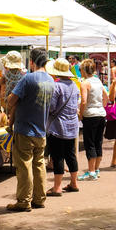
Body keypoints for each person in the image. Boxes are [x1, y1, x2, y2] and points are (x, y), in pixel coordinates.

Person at [5, 48, 54, 212]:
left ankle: (24, 201)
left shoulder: (28, 79)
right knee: (39, 164)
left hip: (25, 129)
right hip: (41, 130)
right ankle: (39, 199)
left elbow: (11, 100)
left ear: (31, 61)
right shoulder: (50, 80)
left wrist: (9, 103)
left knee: (24, 166)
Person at [45, 58, 80, 196]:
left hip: (58, 126)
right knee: (71, 155)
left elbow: (52, 107)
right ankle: (74, 183)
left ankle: (57, 187)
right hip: (72, 126)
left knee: (58, 156)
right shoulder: (74, 85)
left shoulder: (57, 86)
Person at [78, 58, 108, 180]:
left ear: (84, 70)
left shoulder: (85, 83)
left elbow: (84, 100)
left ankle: (91, 171)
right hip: (101, 113)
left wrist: (81, 112)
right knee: (98, 142)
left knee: (89, 143)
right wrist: (102, 106)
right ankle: (96, 169)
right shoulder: (98, 81)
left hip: (90, 115)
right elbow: (106, 97)